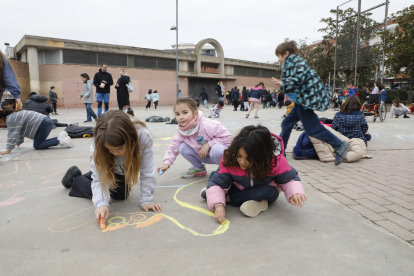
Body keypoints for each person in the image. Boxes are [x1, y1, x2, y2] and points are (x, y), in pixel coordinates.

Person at [61, 110, 162, 226]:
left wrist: (147, 199)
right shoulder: (97, 146)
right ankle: (76, 179)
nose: (115, 153)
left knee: (122, 193)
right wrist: (101, 203)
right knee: (116, 195)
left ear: (130, 140)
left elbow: (148, 171)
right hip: (110, 165)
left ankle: (83, 176)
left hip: (122, 167)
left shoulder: (143, 137)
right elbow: (99, 178)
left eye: (119, 148)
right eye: (110, 149)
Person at [201, 125, 306, 222]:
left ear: (262, 156)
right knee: (215, 176)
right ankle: (257, 202)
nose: (242, 162)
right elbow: (218, 182)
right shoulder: (231, 157)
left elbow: (289, 179)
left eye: (248, 159)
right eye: (239, 156)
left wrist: (294, 193)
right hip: (239, 187)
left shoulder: (275, 161)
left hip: (264, 190)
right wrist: (218, 205)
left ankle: (229, 199)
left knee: (268, 191)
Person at [271, 40, 352, 165]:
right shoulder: (293, 63)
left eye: (279, 56)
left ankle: (341, 145)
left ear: (286, 53)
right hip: (300, 101)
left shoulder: (296, 62)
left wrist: (284, 83)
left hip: (304, 102)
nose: (278, 60)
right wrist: (284, 85)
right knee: (286, 123)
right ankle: (281, 152)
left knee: (314, 130)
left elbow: (299, 78)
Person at [157, 98, 231, 178]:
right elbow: (173, 148)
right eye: (177, 114)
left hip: (220, 156)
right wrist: (166, 164)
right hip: (204, 156)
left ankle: (227, 170)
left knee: (216, 149)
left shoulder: (207, 125)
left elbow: (227, 136)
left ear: (195, 114)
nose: (181, 117)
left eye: (185, 112)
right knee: (182, 147)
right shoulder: (181, 132)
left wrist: (209, 144)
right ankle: (199, 168)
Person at [0, 108, 73, 155]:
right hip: (45, 122)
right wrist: (19, 142)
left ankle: (61, 141)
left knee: (38, 145)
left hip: (43, 124)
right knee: (39, 143)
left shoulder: (11, 119)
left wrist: (8, 149)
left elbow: (12, 133)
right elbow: (19, 130)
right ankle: (61, 137)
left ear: (1, 120)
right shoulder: (13, 116)